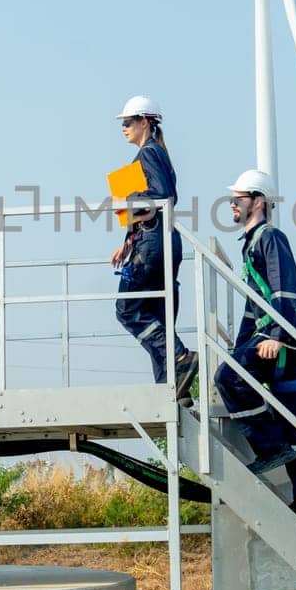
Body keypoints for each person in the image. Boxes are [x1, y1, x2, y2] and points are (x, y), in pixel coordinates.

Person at [211, 168, 296, 521]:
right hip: (274, 337)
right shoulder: (252, 244)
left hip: (282, 340)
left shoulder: (270, 238)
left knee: (227, 378)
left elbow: (284, 290)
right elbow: (254, 307)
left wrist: (276, 337)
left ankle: (271, 447)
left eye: (238, 199)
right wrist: (243, 346)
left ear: (257, 202)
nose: (231, 204)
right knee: (293, 416)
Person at [111, 95, 199, 395]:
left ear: (145, 122)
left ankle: (180, 357)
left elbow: (163, 198)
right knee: (158, 320)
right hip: (158, 241)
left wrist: (125, 202)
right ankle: (174, 389)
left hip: (151, 245)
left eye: (128, 122)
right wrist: (127, 240)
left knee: (127, 309)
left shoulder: (148, 154)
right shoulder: (159, 154)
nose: (123, 128)